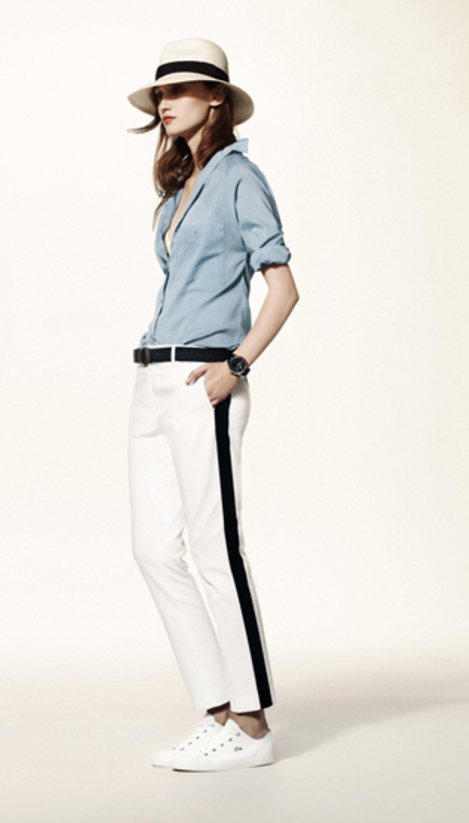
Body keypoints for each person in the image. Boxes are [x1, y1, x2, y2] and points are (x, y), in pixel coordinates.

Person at [126, 38, 299, 772]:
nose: (166, 103)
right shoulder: (180, 185)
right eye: (161, 94)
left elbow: (283, 288)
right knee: (154, 548)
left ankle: (253, 728)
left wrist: (236, 365)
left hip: (205, 378)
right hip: (152, 376)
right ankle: (219, 711)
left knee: (214, 547)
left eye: (181, 91)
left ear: (216, 98)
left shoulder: (239, 178)